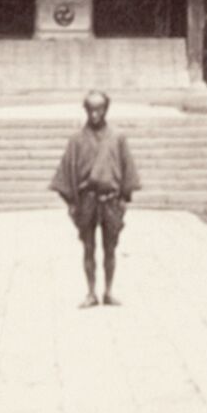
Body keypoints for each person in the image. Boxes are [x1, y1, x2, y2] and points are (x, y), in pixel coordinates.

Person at [49, 89, 140, 307]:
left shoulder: (118, 137)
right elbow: (65, 172)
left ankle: (108, 291)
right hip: (87, 200)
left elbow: (127, 168)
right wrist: (72, 202)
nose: (94, 114)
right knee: (88, 248)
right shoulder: (77, 140)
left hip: (110, 200)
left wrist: (123, 199)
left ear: (106, 109)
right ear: (85, 110)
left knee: (110, 248)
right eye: (90, 109)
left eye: (99, 109)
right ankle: (91, 292)